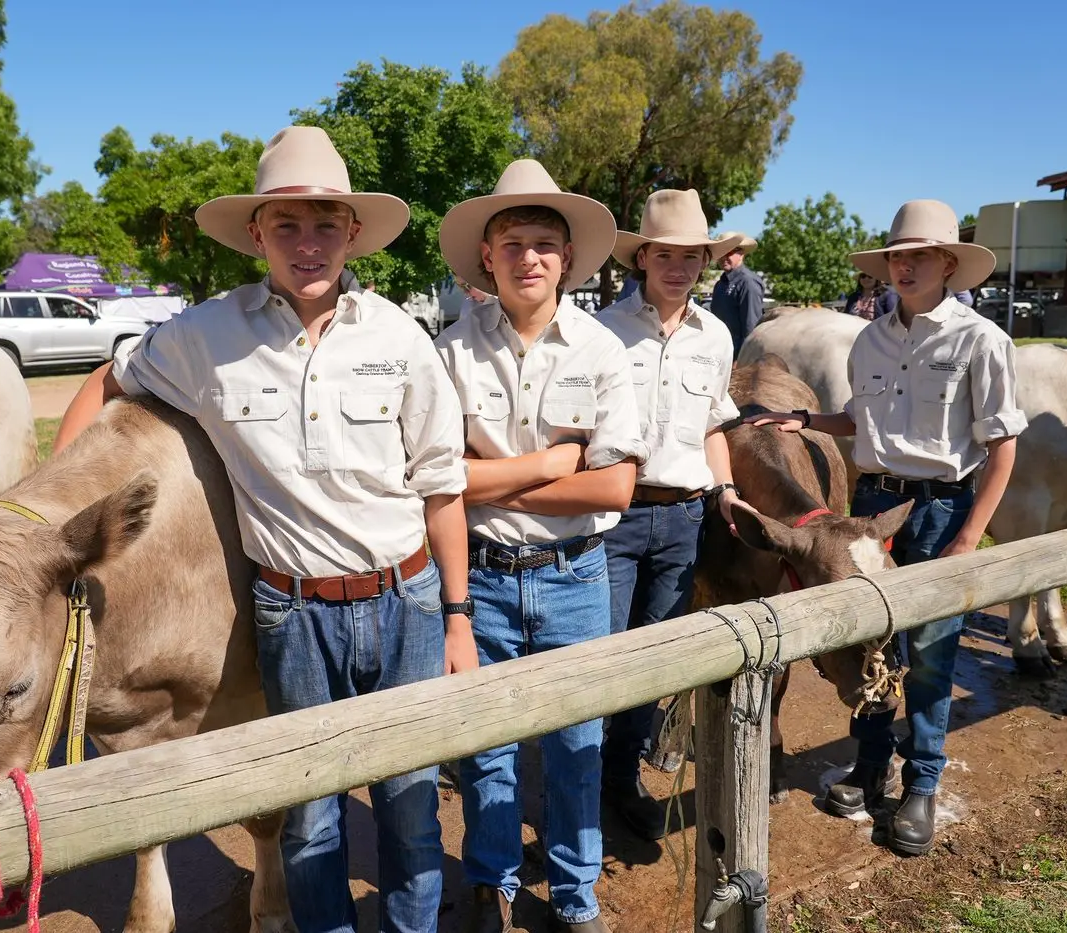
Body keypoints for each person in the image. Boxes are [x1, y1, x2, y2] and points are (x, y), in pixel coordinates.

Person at [52, 126, 476, 933]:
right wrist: (58, 509)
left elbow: (442, 489)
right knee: (310, 811)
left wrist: (457, 616)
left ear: (353, 231)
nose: (307, 243)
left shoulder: (402, 339)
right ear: (257, 234)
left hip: (409, 603)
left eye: (324, 224)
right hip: (293, 610)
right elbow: (110, 377)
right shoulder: (204, 337)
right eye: (286, 225)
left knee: (412, 804)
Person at [750, 199, 1026, 856]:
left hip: (939, 508)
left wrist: (967, 539)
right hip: (873, 509)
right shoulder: (870, 337)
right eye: (897, 256)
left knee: (931, 653)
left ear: (948, 263)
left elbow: (1004, 446)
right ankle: (871, 764)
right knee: (872, 644)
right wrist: (807, 424)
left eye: (919, 256)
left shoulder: (980, 340)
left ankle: (921, 782)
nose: (905, 266)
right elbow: (862, 421)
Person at [434, 158, 645, 933]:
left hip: (573, 576)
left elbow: (615, 489)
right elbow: (435, 484)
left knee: (575, 745)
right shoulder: (452, 353)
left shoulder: (601, 349)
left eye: (545, 243)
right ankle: (491, 884)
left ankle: (576, 896)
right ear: (487, 256)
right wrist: (557, 461)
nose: (530, 256)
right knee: (484, 748)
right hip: (482, 577)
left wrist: (485, 478)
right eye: (513, 240)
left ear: (567, 258)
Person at [595, 188, 747, 840]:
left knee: (653, 659)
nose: (679, 266)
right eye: (666, 253)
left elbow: (713, 424)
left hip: (685, 517)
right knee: (601, 655)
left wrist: (728, 489)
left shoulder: (715, 337)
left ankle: (619, 776)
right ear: (644, 257)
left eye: (692, 255)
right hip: (614, 518)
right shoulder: (601, 331)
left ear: (705, 261)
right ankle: (583, 778)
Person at [708, 233, 765, 357]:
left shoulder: (748, 282)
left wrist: (741, 358)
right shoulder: (720, 283)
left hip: (737, 356)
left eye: (729, 252)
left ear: (741, 254)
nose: (724, 257)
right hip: (720, 352)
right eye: (721, 253)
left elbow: (751, 327)